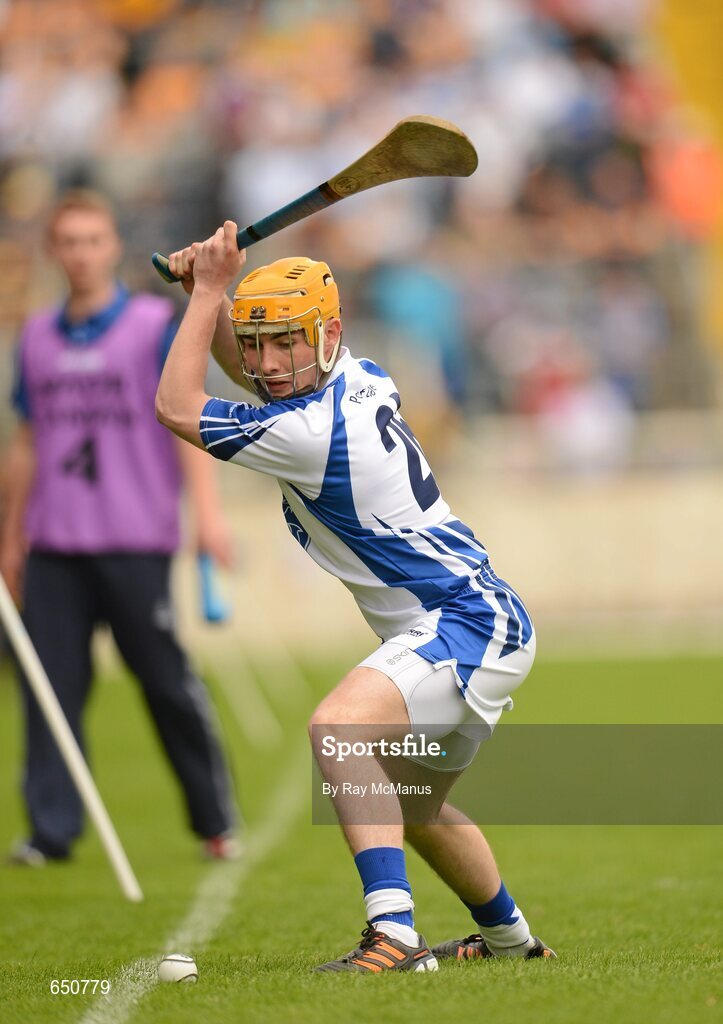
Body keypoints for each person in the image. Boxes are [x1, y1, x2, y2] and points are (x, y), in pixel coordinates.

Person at [155, 221, 555, 971]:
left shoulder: (310, 432)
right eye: (255, 341)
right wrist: (207, 303)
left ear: (329, 331)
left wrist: (209, 292)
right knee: (413, 804)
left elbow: (178, 407)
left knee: (337, 729)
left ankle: (393, 934)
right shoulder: (356, 374)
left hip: (463, 619)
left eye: (286, 342)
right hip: (484, 616)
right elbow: (253, 387)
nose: (268, 364)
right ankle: (510, 942)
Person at [0, 191, 239, 866]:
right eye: (68, 241)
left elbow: (188, 421)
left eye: (93, 239)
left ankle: (213, 819)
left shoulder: (150, 324)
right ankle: (51, 832)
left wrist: (208, 517)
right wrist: (11, 536)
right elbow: (25, 441)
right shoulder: (37, 337)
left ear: (113, 247)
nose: (81, 253)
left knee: (165, 683)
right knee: (50, 692)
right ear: (54, 250)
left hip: (137, 538)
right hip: (54, 545)